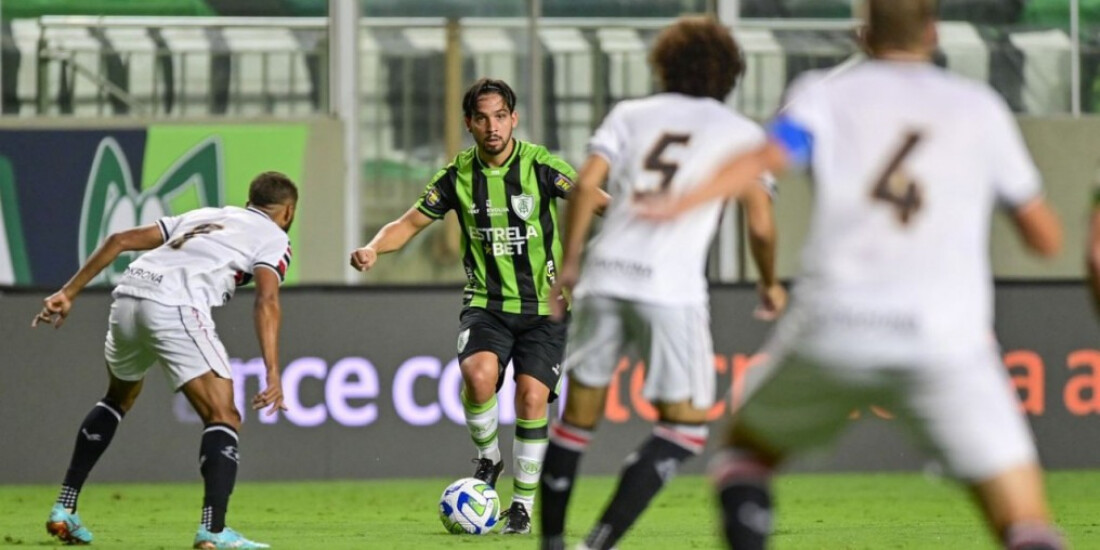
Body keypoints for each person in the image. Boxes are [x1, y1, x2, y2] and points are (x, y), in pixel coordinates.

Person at [641, 1, 1066, 549]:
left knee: (743, 456)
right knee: (1025, 521)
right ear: (934, 32)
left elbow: (770, 155)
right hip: (945, 338)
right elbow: (1043, 238)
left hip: (836, 326)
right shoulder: (979, 108)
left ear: (863, 35)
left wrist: (684, 199)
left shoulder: (824, 94)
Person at [537, 17, 784, 550]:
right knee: (684, 428)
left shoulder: (630, 114)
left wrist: (570, 263)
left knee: (576, 420)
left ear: (664, 63)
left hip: (605, 275)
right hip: (670, 289)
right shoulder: (742, 134)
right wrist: (769, 283)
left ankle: (552, 544)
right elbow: (761, 226)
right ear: (730, 72)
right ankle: (595, 545)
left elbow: (585, 185)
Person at [349, 78, 607, 535]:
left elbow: (593, 198)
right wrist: (372, 248)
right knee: (478, 375)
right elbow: (408, 223)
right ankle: (489, 458)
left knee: (531, 397)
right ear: (469, 123)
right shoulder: (456, 177)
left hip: (544, 308)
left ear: (514, 119)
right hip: (487, 303)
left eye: (500, 116)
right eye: (483, 118)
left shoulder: (542, 167)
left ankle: (522, 506)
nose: (493, 127)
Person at [33, 172, 297, 550]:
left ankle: (64, 507)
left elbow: (119, 240)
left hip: (128, 297)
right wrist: (272, 371)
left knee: (118, 398)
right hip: (175, 305)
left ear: (248, 201)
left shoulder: (205, 215)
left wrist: (68, 292)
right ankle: (214, 531)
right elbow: (267, 300)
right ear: (287, 212)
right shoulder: (275, 237)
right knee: (223, 415)